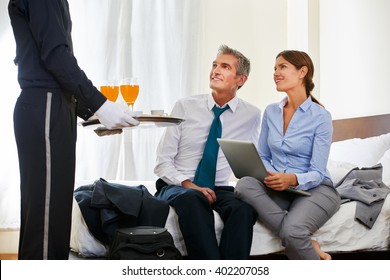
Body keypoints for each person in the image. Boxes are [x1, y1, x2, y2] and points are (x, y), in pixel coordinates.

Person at [8, 0, 139, 259]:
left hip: (54, 105)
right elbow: (56, 56)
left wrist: (91, 114)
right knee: (46, 220)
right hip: (45, 104)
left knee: (53, 214)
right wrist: (100, 105)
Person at [154, 45, 261, 259]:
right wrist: (189, 185)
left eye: (225, 66)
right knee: (194, 199)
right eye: (214, 65)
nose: (215, 71)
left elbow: (254, 159)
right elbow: (162, 162)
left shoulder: (252, 114)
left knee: (244, 210)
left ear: (241, 79)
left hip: (219, 188)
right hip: (179, 185)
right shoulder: (185, 106)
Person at [234, 50, 341, 260]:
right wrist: (267, 173)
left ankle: (297, 237)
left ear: (302, 72)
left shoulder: (321, 117)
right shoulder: (271, 112)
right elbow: (263, 155)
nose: (276, 72)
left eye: (282, 67)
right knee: (244, 184)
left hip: (315, 190)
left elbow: (318, 172)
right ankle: (306, 241)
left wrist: (292, 179)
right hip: (279, 187)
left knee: (294, 230)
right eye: (275, 68)